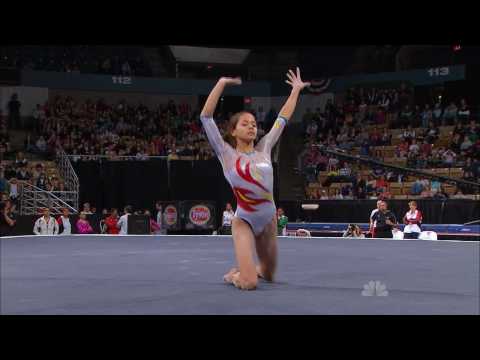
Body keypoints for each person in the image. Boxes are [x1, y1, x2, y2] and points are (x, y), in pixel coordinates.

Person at [200, 68, 310, 290]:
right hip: (244, 221)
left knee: (268, 274)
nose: (252, 126)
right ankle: (234, 275)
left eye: (253, 123)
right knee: (249, 283)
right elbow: (206, 116)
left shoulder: (265, 148)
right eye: (245, 123)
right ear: (232, 131)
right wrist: (221, 83)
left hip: (269, 220)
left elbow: (283, 118)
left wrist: (296, 90)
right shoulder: (227, 154)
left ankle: (250, 269)